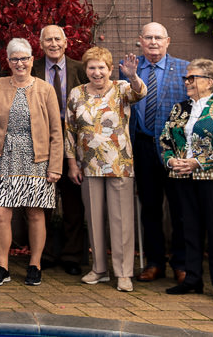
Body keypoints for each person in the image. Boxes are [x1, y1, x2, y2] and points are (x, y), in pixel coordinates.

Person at [0, 37, 63, 288]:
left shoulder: (44, 89)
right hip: (4, 156)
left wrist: (55, 166)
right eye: (14, 59)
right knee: (0, 213)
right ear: (8, 62)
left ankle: (35, 265)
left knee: (34, 212)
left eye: (24, 58)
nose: (19, 63)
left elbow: (56, 130)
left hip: (37, 158)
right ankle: (2, 266)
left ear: (32, 60)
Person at [63, 45, 147, 292]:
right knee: (94, 219)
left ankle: (123, 273)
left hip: (119, 164)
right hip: (88, 165)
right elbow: (70, 130)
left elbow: (140, 93)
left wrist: (132, 76)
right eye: (92, 67)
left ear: (110, 69)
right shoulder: (76, 93)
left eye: (102, 67)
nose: (97, 72)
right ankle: (99, 269)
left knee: (121, 220)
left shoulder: (121, 88)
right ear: (85, 70)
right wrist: (71, 163)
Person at [159, 57, 213, 303]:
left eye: (192, 78)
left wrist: (197, 162)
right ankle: (192, 279)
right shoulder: (179, 108)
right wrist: (171, 160)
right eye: (187, 77)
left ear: (209, 82)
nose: (187, 82)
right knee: (187, 229)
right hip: (182, 176)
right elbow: (165, 139)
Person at [129, 21, 188, 283]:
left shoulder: (186, 69)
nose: (153, 42)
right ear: (140, 40)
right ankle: (154, 262)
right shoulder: (128, 70)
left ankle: (181, 262)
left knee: (180, 208)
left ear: (168, 41)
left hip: (176, 149)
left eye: (158, 38)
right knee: (149, 207)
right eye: (149, 37)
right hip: (142, 146)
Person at [36, 24, 87, 276]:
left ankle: (73, 255)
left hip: (73, 143)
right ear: (41, 44)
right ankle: (43, 253)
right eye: (48, 40)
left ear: (66, 43)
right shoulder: (32, 69)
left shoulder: (81, 69)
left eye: (58, 39)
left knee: (73, 202)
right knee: (41, 201)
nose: (53, 44)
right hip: (41, 143)